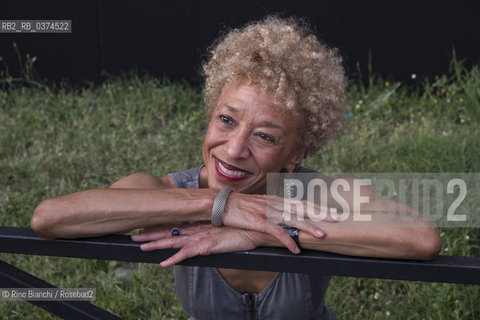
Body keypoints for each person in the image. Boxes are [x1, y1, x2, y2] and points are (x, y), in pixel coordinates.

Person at [31, 16, 441, 319]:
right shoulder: (168, 189)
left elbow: (420, 237)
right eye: (226, 121)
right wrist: (215, 205)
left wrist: (261, 232)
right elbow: (51, 217)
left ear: (295, 155)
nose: (234, 148)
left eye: (264, 136)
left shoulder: (315, 194)